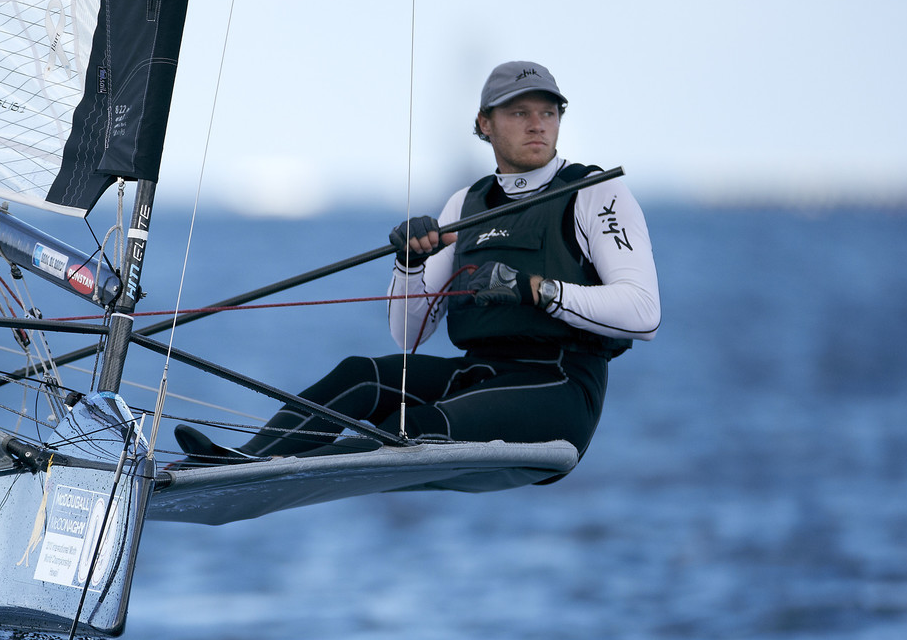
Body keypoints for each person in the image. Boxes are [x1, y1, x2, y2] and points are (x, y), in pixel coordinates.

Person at [174, 60, 660, 468]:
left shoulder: (595, 191)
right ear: (485, 123)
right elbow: (409, 336)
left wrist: (535, 287)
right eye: (520, 113)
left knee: (407, 429)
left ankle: (280, 472)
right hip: (481, 374)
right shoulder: (464, 205)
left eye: (548, 112)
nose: (538, 124)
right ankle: (246, 460)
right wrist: (408, 264)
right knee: (358, 373)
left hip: (560, 389)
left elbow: (644, 314)